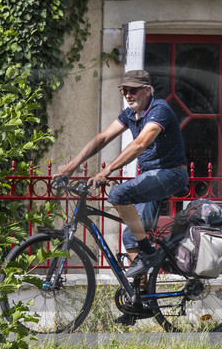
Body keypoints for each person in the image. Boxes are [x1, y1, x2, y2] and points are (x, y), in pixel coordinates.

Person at [54, 69, 190, 278]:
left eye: (133, 90)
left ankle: (149, 254)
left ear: (146, 91)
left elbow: (141, 143)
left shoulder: (158, 110)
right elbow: (102, 138)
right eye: (124, 91)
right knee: (131, 236)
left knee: (118, 194)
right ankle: (140, 299)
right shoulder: (130, 114)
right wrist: (72, 166)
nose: (128, 95)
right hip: (151, 178)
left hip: (170, 174)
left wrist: (107, 171)